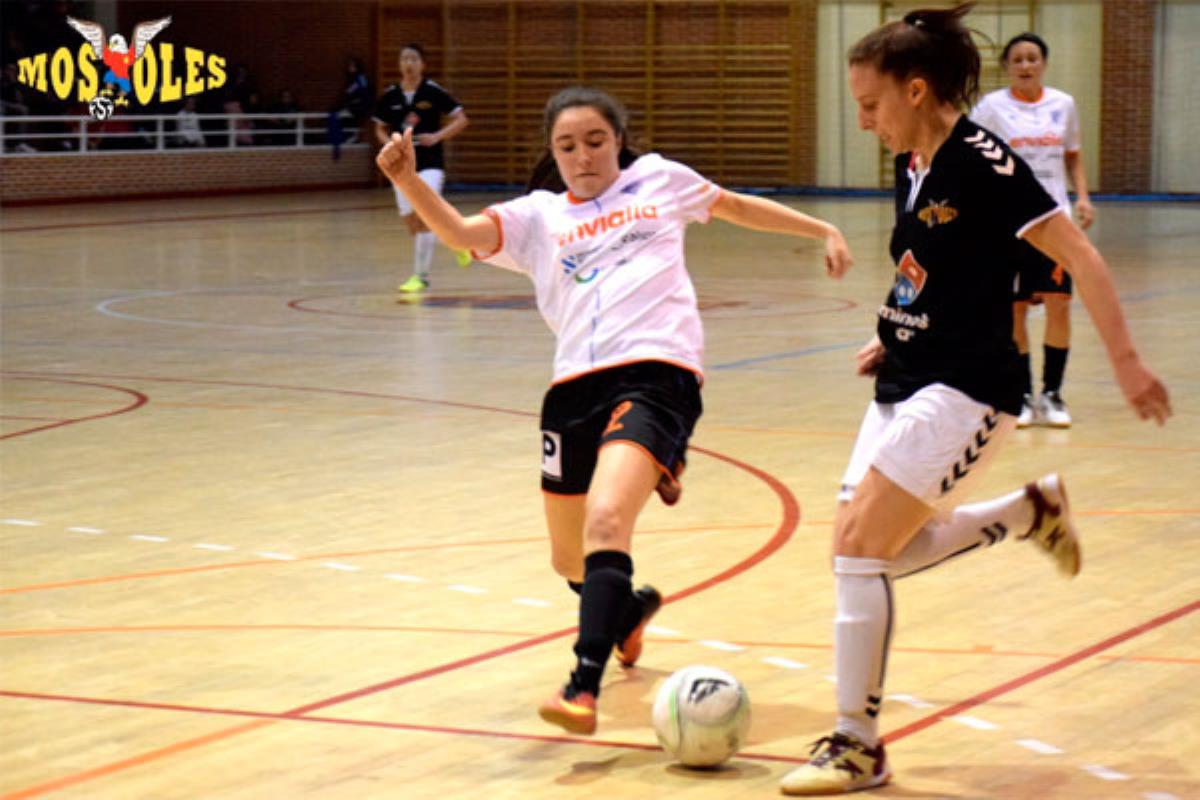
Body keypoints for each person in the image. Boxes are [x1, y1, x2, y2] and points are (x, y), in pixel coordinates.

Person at [376, 86, 855, 735]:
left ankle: (583, 684)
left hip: (658, 372)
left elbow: (737, 206)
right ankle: (625, 613)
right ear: (553, 154)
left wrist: (823, 228)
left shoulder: (660, 179)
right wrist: (408, 180)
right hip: (573, 389)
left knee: (607, 520)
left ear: (619, 141)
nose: (583, 156)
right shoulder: (536, 216)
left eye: (595, 141)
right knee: (569, 561)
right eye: (567, 146)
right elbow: (459, 233)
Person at [778, 4, 1170, 795]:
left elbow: (1081, 256)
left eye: (871, 104)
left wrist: (1127, 363)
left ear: (916, 90)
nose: (864, 121)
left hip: (969, 389)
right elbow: (930, 262)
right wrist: (892, 329)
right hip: (907, 375)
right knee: (871, 551)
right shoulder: (914, 162)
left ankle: (858, 744)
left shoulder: (986, 163)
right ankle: (1027, 513)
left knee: (858, 548)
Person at [972, 33, 1094, 427]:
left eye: (1033, 58)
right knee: (1015, 310)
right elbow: (969, 157)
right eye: (1018, 59)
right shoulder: (990, 108)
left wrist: (1083, 198)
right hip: (1008, 226)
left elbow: (1073, 156)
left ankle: (1052, 393)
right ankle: (1021, 394)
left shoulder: (1063, 104)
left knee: (1059, 304)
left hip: (1053, 221)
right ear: (1007, 66)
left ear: (1044, 63)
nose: (1026, 66)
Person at [372, 43, 470, 295]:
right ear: (399, 64)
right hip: (401, 167)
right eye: (405, 58)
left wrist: (437, 136)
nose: (409, 63)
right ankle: (455, 243)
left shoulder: (432, 91)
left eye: (414, 59)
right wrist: (390, 144)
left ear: (422, 64)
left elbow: (461, 119)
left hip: (430, 164)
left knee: (425, 215)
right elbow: (379, 128)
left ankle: (420, 277)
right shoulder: (391, 96)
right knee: (412, 221)